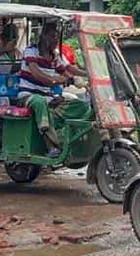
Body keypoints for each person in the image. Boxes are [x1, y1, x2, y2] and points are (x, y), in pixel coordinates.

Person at [17, 22, 89, 158]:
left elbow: (67, 70)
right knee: (40, 102)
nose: (55, 40)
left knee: (80, 105)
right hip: (28, 96)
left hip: (48, 96)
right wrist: (56, 80)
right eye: (52, 37)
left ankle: (65, 138)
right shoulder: (31, 51)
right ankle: (51, 146)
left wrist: (87, 74)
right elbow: (36, 73)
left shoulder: (54, 56)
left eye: (56, 37)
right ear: (43, 36)